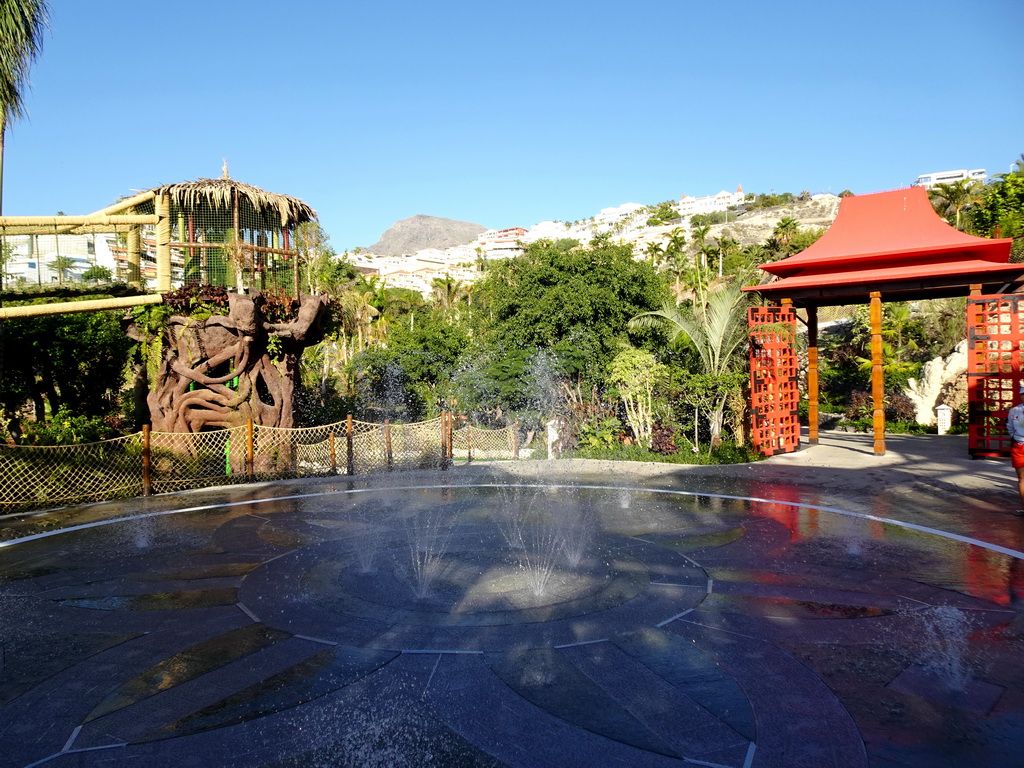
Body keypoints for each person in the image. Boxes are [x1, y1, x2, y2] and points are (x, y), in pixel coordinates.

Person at [1007, 383, 1024, 515]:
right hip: (1019, 446)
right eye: (1023, 395)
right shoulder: (1014, 411)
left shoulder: (1015, 410)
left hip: (1020, 444)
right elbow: (1010, 427)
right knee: (1022, 478)